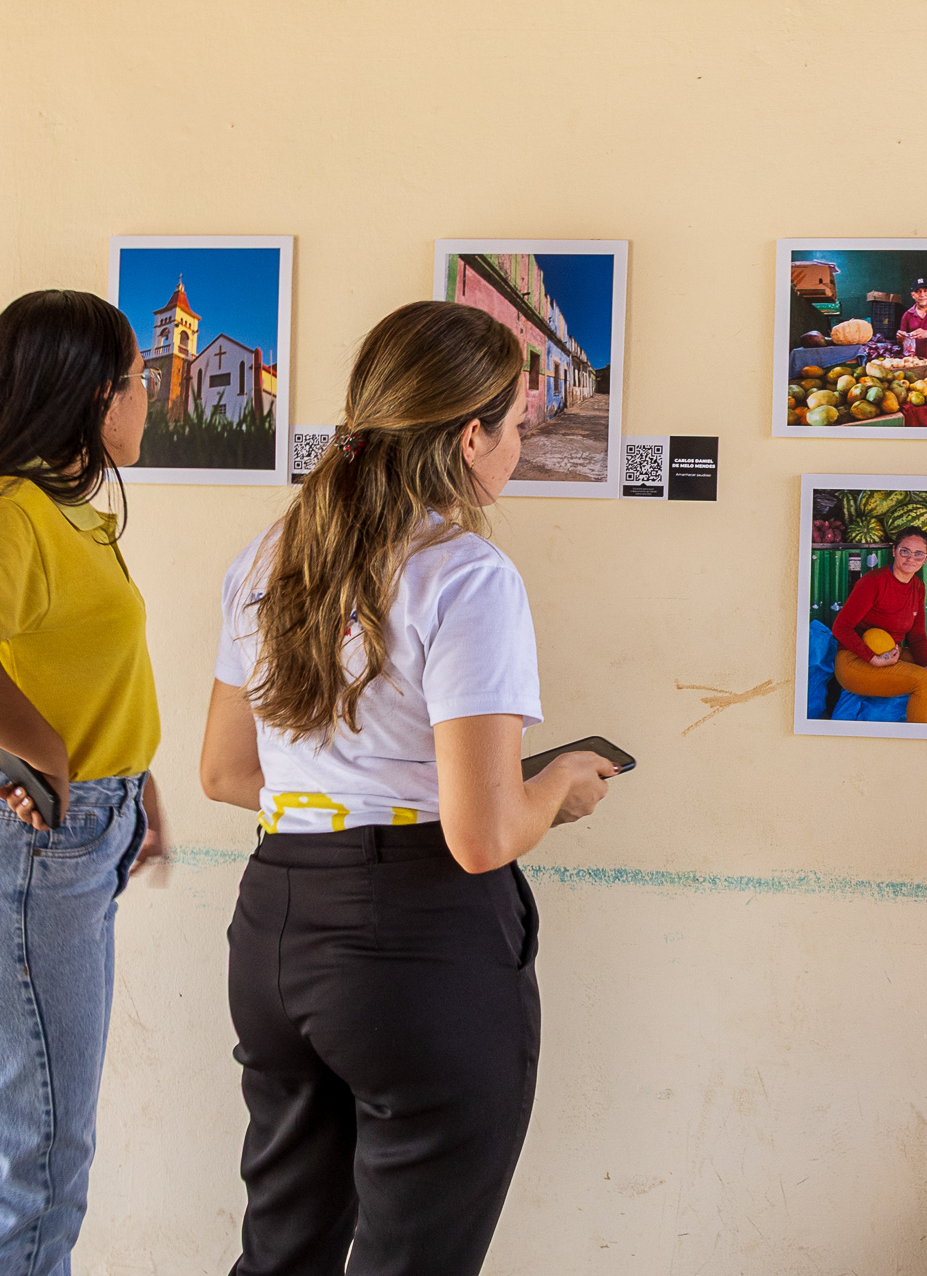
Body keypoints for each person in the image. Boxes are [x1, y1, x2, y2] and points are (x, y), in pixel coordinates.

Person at [200, 300, 618, 1276]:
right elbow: (482, 835)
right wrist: (557, 781)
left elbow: (226, 771)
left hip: (275, 926)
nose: (518, 449)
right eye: (515, 427)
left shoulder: (267, 559)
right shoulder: (466, 576)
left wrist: (343, 783)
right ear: (467, 435)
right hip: (415, 939)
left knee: (281, 1253)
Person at [0, 289, 169, 1276]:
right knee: (34, 1185)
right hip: (21, 867)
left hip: (62, 853)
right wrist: (44, 752)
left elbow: (81, 667)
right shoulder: (14, 510)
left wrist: (133, 783)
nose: (150, 400)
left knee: (45, 1169)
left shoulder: (65, 514)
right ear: (96, 397)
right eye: (138, 382)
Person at [830, 529, 927, 725]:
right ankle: (916, 744)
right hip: (854, 660)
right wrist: (873, 659)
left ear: (926, 558)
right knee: (923, 681)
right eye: (905, 551)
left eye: (918, 554)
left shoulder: (918, 586)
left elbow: (917, 636)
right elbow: (841, 627)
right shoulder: (873, 582)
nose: (911, 558)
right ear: (894, 550)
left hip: (889, 654)